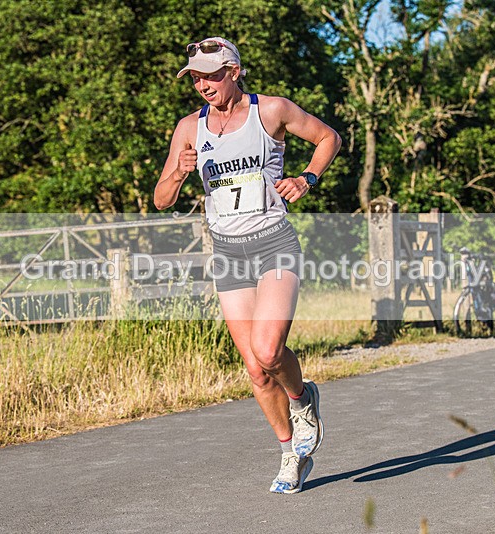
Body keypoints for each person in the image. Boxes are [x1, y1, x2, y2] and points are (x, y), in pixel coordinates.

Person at [154, 37, 341, 494]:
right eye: (195, 77)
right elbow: (162, 199)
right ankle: (288, 454)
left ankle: (302, 398)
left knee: (269, 350)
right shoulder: (188, 127)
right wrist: (178, 171)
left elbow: (327, 137)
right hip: (228, 252)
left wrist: (305, 178)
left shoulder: (271, 110)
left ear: (234, 71)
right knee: (255, 371)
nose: (202, 84)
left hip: (274, 242)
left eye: (211, 75)